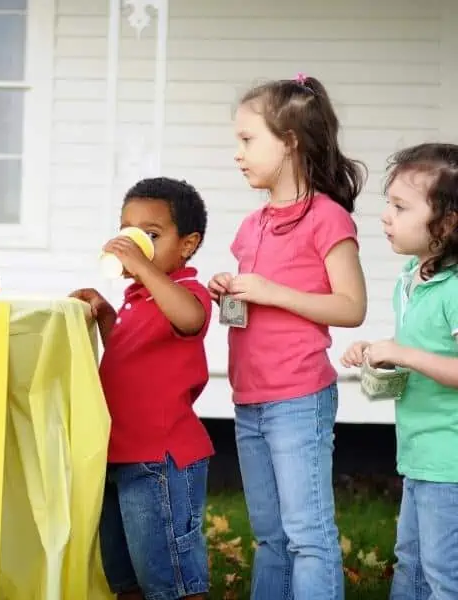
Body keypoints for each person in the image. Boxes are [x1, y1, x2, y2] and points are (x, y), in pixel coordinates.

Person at [207, 74, 368, 600]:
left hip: (298, 398)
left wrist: (272, 291)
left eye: (248, 140)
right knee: (269, 538)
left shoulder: (327, 218)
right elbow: (253, 311)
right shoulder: (251, 226)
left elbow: (351, 307)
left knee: (307, 537)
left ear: (291, 141)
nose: (238, 153)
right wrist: (230, 295)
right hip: (249, 398)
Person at [71, 177, 213, 600]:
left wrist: (145, 268)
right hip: (119, 454)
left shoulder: (187, 291)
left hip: (160, 459)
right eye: (127, 231)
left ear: (187, 245)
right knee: (125, 575)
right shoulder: (138, 298)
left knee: (169, 577)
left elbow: (189, 319)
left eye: (150, 235)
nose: (135, 243)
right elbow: (131, 353)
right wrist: (105, 312)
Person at [341, 143, 458, 600]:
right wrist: (378, 351)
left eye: (400, 206)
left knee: (444, 576)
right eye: (387, 204)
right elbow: (419, 349)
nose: (386, 216)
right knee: (410, 563)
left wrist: (402, 354)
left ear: (446, 223)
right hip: (420, 452)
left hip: (449, 459)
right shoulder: (413, 276)